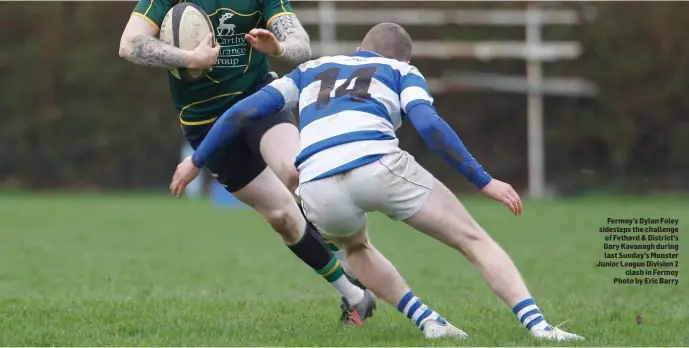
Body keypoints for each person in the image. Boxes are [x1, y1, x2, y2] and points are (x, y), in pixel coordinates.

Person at [170, 22, 586, 341]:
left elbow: (242, 113)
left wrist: (196, 163)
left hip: (315, 183)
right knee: (473, 240)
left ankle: (429, 322)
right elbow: (430, 125)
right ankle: (540, 328)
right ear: (405, 59)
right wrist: (484, 181)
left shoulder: (311, 69)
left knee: (355, 248)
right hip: (378, 165)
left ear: (358, 50)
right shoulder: (400, 70)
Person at [118, 0, 375, 325]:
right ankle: (355, 295)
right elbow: (129, 44)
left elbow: (301, 45)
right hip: (204, 122)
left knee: (294, 173)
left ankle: (360, 258)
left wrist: (278, 46)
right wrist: (189, 58)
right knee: (282, 217)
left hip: (257, 100)